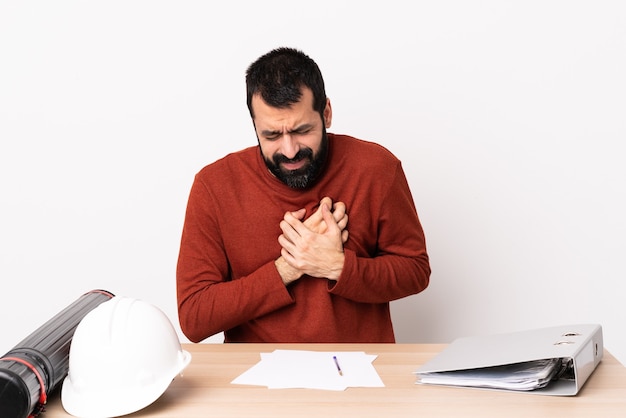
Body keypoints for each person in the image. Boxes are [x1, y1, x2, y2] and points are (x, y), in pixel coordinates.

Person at [176, 47, 430, 343]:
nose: (290, 150)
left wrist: (337, 265)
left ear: (327, 113)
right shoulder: (214, 186)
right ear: (255, 126)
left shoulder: (377, 168)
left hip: (362, 371)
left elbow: (415, 271)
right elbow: (194, 317)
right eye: (271, 135)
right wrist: (288, 268)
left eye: (302, 130)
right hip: (256, 377)